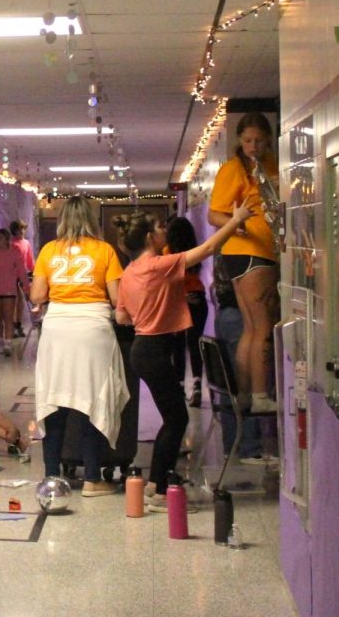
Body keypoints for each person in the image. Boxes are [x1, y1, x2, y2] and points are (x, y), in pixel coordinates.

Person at [116, 200, 251, 511]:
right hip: (154, 349)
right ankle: (159, 487)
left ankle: (155, 484)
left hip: (144, 348)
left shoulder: (130, 272)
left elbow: (122, 317)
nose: (165, 230)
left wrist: (150, 306)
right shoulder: (159, 265)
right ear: (150, 238)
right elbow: (205, 250)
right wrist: (236, 220)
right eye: (160, 228)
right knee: (176, 419)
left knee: (173, 417)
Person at [29, 196, 129, 497]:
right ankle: (92, 479)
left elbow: (37, 295)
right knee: (93, 401)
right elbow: (117, 299)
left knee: (54, 402)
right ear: (91, 218)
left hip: (57, 330)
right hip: (93, 330)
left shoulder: (49, 250)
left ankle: (51, 477)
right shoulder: (104, 250)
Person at [208, 112, 280, 414]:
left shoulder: (271, 166)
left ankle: (248, 395)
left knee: (252, 327)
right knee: (262, 325)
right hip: (251, 251)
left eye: (260, 141)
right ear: (239, 140)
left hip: (260, 250)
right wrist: (236, 226)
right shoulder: (233, 170)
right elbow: (215, 214)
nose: (254, 146)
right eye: (248, 141)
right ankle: (260, 393)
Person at [211, 260, 268, 463]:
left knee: (232, 382)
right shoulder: (243, 250)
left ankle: (233, 444)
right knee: (244, 380)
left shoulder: (226, 248)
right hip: (238, 315)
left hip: (228, 312)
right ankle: (249, 447)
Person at [165, 217, 207, 408]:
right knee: (195, 341)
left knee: (178, 344)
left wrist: (181, 297)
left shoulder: (167, 252)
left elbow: (170, 281)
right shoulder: (194, 251)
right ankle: (197, 384)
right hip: (197, 296)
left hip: (178, 298)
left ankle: (180, 385)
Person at [9, 219, 35, 337]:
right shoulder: (12, 244)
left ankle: (18, 324)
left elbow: (30, 259)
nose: (22, 231)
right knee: (15, 301)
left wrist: (33, 271)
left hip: (23, 274)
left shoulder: (26, 243)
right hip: (12, 275)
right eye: (20, 229)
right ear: (15, 231)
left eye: (24, 229)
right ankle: (13, 326)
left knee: (22, 302)